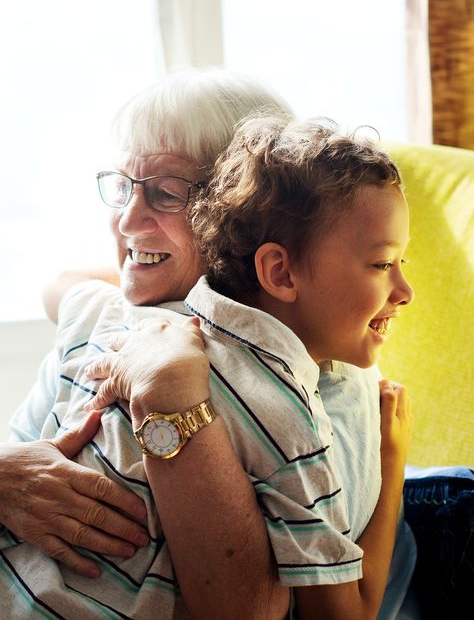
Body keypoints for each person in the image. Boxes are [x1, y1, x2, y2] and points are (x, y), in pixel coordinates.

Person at [2, 114, 415, 618]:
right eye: (382, 264)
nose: (405, 292)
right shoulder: (289, 419)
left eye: (166, 194)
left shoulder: (128, 325)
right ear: (278, 270)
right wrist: (393, 462)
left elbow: (65, 285)